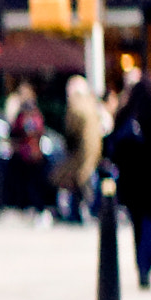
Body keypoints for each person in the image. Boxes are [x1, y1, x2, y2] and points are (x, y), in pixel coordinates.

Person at [109, 74, 151, 289]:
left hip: (131, 178)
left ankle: (140, 265)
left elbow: (113, 147)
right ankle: (146, 267)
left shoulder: (124, 115)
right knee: (150, 224)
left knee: (137, 224)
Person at [52, 75, 102, 223]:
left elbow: (71, 131)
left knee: (70, 179)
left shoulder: (75, 105)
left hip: (81, 151)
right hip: (93, 150)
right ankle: (84, 211)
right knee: (83, 180)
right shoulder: (91, 104)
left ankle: (76, 213)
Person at [4, 83, 49, 216]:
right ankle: (29, 206)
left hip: (27, 154)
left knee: (29, 184)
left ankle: (32, 207)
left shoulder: (26, 115)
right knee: (28, 183)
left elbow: (22, 131)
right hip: (30, 154)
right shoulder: (34, 114)